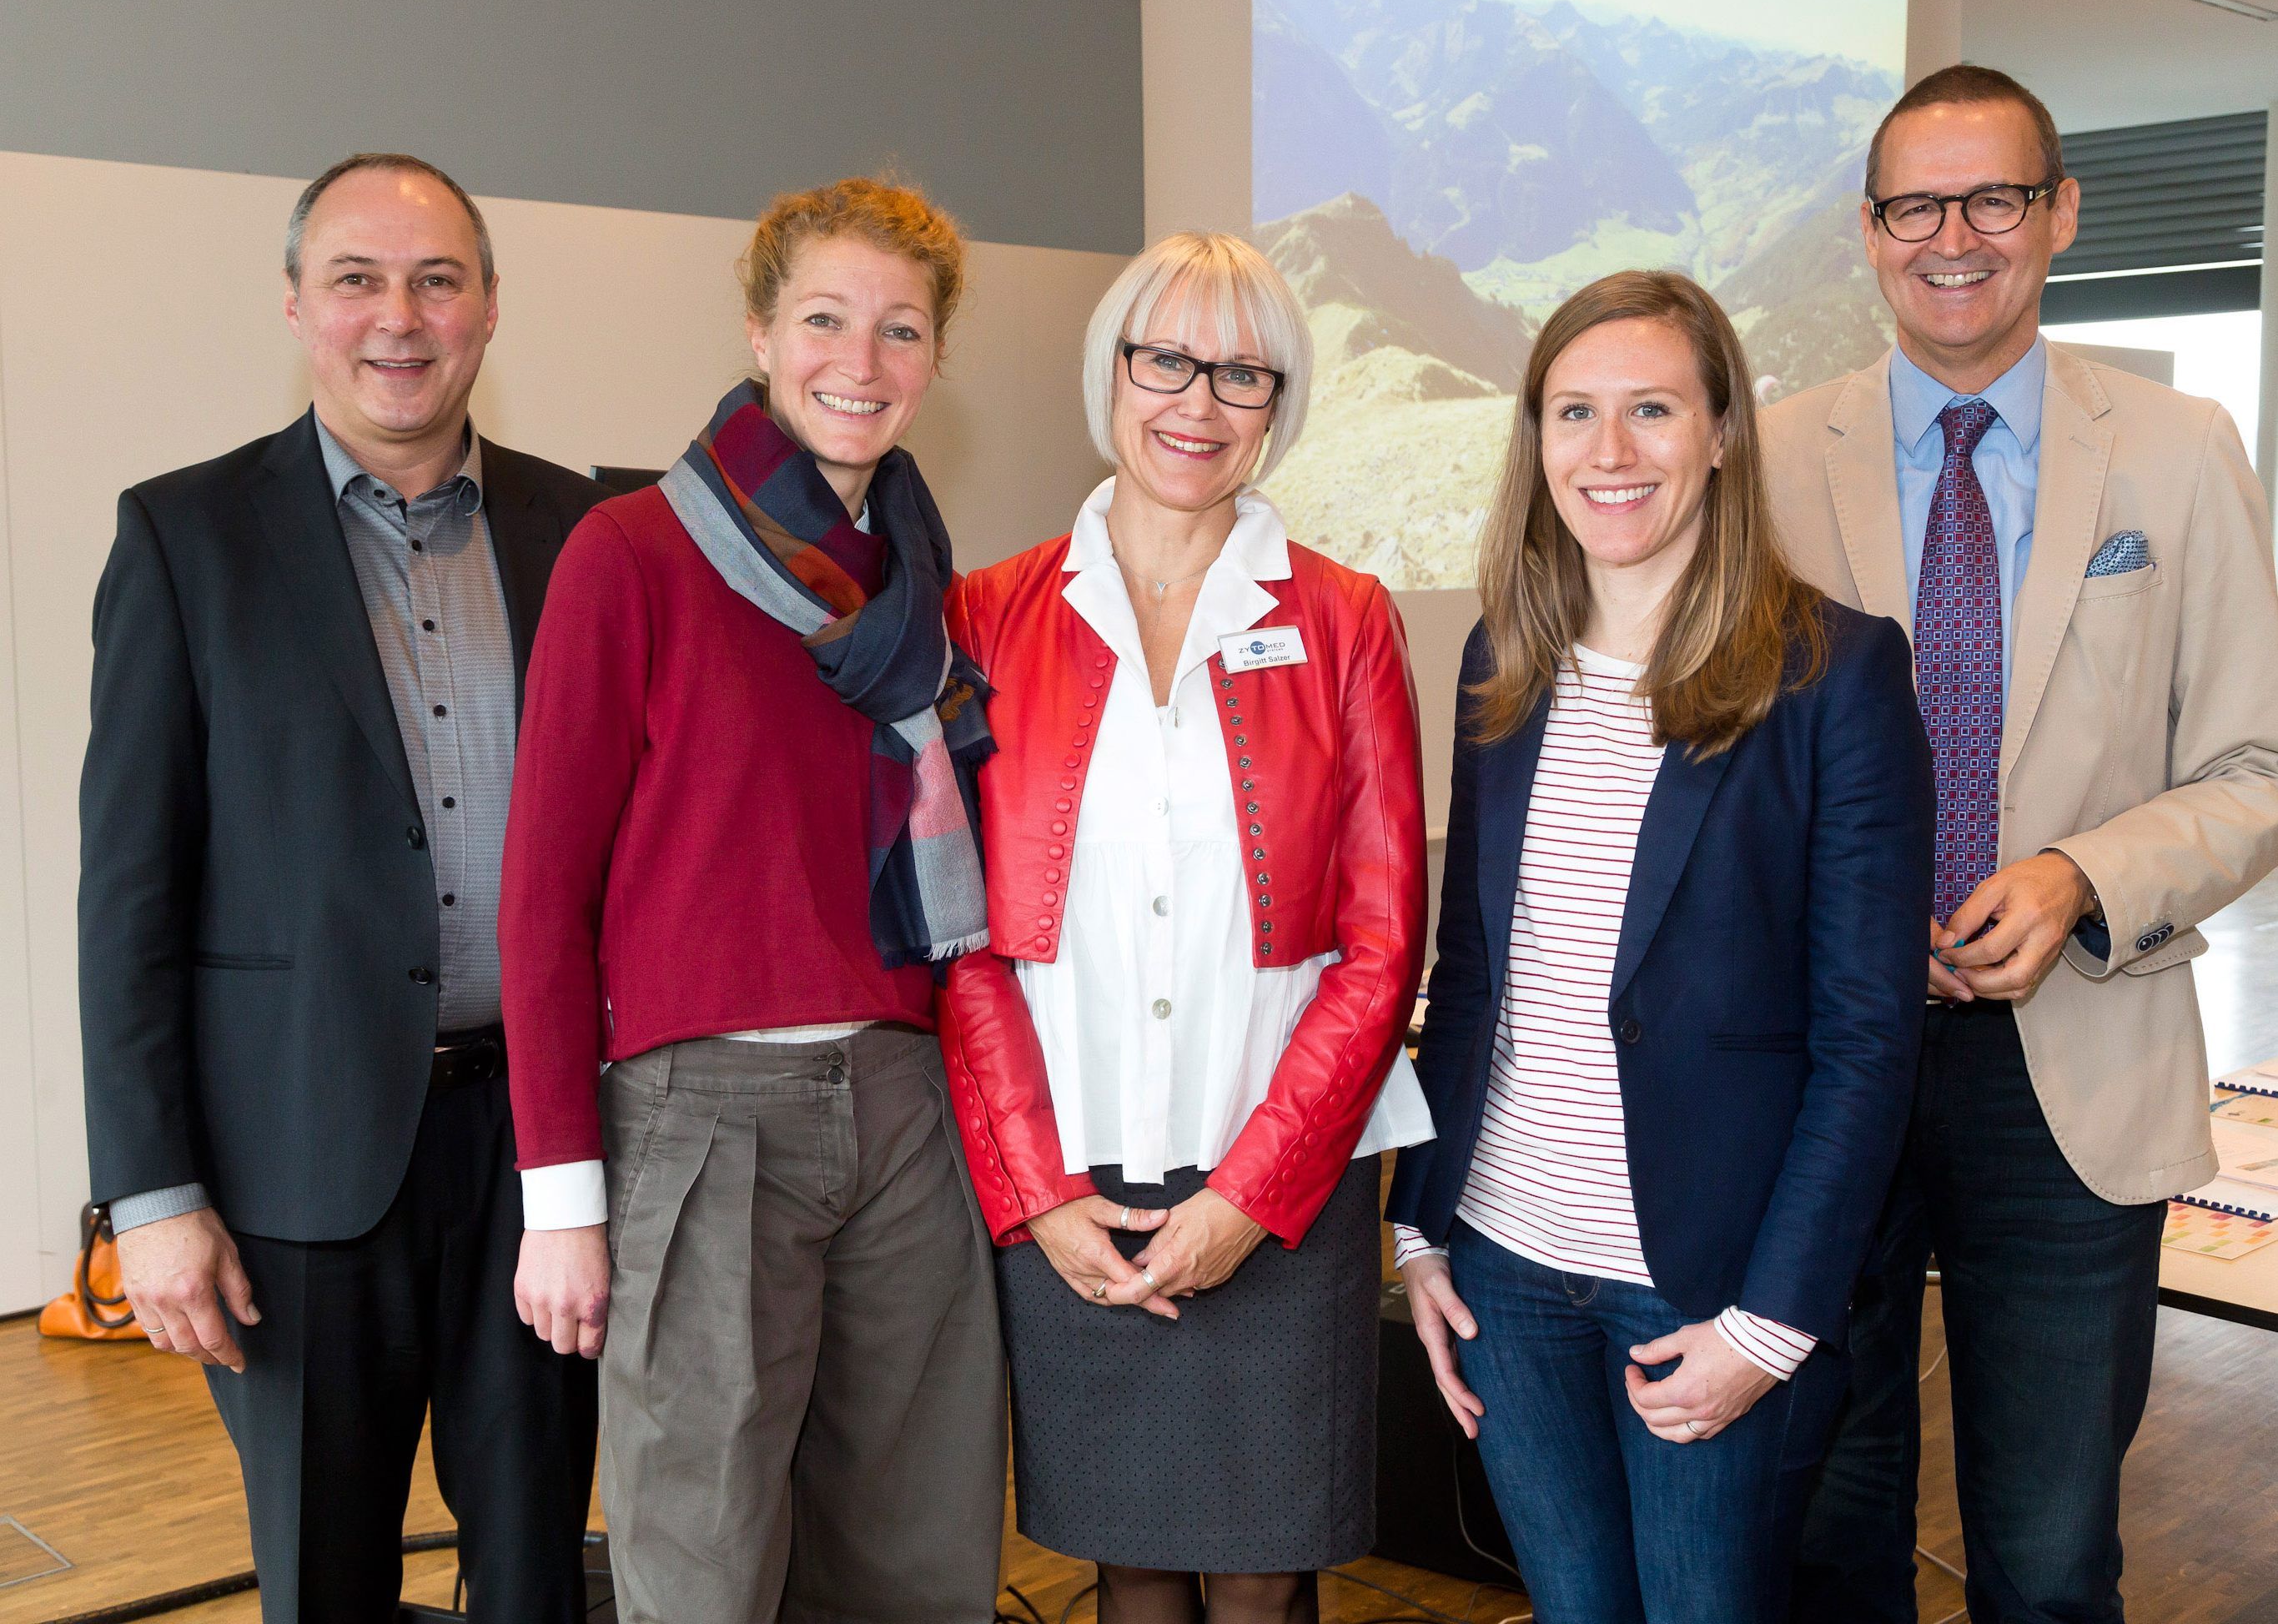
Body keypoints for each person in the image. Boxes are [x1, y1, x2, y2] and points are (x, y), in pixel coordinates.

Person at [1768, 65, 2278, 1624]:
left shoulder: (2183, 452)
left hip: (2073, 1057)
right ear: (1869, 233)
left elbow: (2260, 764)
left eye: (1996, 198)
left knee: (2052, 1558)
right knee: (1823, 1530)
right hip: (1821, 1061)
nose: (1956, 238)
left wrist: (2077, 879)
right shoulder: (1771, 457)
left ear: (2062, 212)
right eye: (1917, 205)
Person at [78, 153, 606, 1621]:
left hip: (539, 1159)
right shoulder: (186, 539)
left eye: (438, 280)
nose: (401, 317)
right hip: (293, 1167)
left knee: (535, 1571)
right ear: (297, 306)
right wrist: (153, 1195)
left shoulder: (588, 539)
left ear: (490, 308)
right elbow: (129, 892)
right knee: (326, 1576)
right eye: (359, 279)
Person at [1385, 269, 1934, 1622]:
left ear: (1723, 432)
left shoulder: (1836, 674)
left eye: (1651, 410)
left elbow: (1870, 1040)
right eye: (1574, 413)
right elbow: (1471, 976)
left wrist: (1772, 1325)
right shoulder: (1499, 656)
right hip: (1506, 1268)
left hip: (1703, 1287)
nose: (1609, 452)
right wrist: (1418, 1226)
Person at [501, 177, 1004, 1624]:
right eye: (826, 320)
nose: (862, 362)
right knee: (706, 1565)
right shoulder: (632, 556)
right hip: (698, 1117)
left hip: (909, 1114)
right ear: (760, 330)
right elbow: (542, 903)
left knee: (918, 1556)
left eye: (901, 330)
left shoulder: (919, 578)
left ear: (935, 359)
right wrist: (561, 1204)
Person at [937, 231, 1432, 1624]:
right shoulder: (989, 614)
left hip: (1277, 1186)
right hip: (1072, 1185)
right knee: (1129, 1573)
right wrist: (1034, 1192)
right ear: (1113, 370)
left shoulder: (1343, 620)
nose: (1198, 405)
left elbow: (1385, 945)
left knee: (1263, 1589)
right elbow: (965, 942)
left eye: (1243, 375)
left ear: (1282, 404)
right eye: (1168, 360)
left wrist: (1250, 1198)